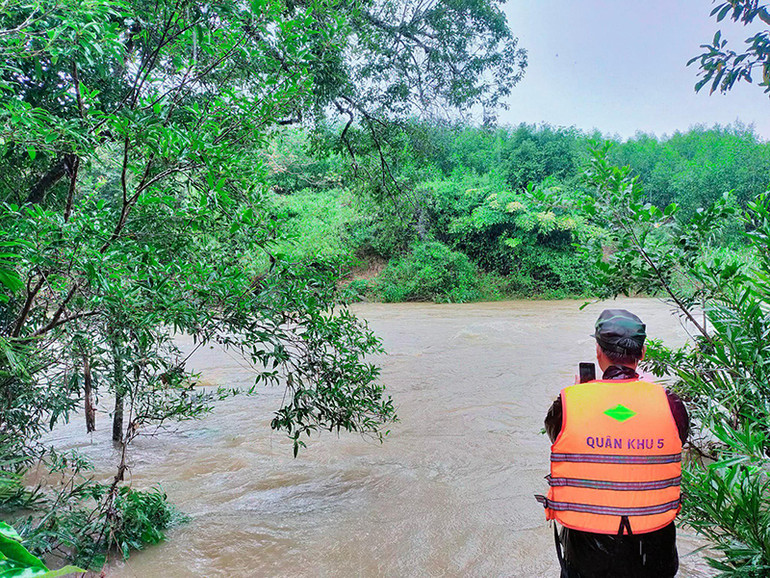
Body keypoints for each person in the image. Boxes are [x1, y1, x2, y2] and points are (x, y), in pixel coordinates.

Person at [536, 309, 689, 578]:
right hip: (653, 549)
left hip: (587, 551)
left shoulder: (569, 403)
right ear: (642, 354)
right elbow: (676, 441)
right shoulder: (670, 403)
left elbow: (558, 439)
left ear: (598, 350)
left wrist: (579, 396)